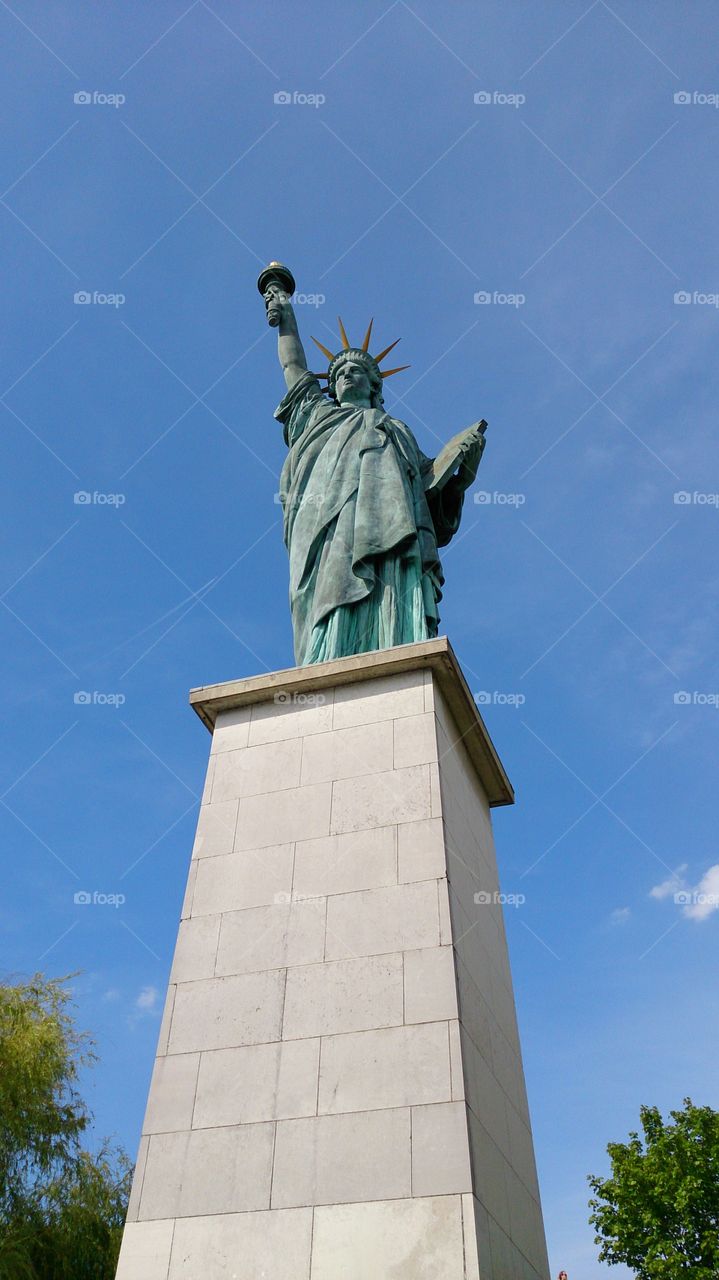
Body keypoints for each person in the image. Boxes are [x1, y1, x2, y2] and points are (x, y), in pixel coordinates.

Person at [263, 277, 486, 666]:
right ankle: (329, 657)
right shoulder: (317, 414)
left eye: (356, 370)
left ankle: (393, 644)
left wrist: (462, 475)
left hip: (392, 536)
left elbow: (428, 497)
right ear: (331, 387)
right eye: (339, 373)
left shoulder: (396, 430)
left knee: (391, 582)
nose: (346, 376)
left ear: (374, 385)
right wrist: (285, 313)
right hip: (328, 527)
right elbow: (292, 365)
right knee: (328, 589)